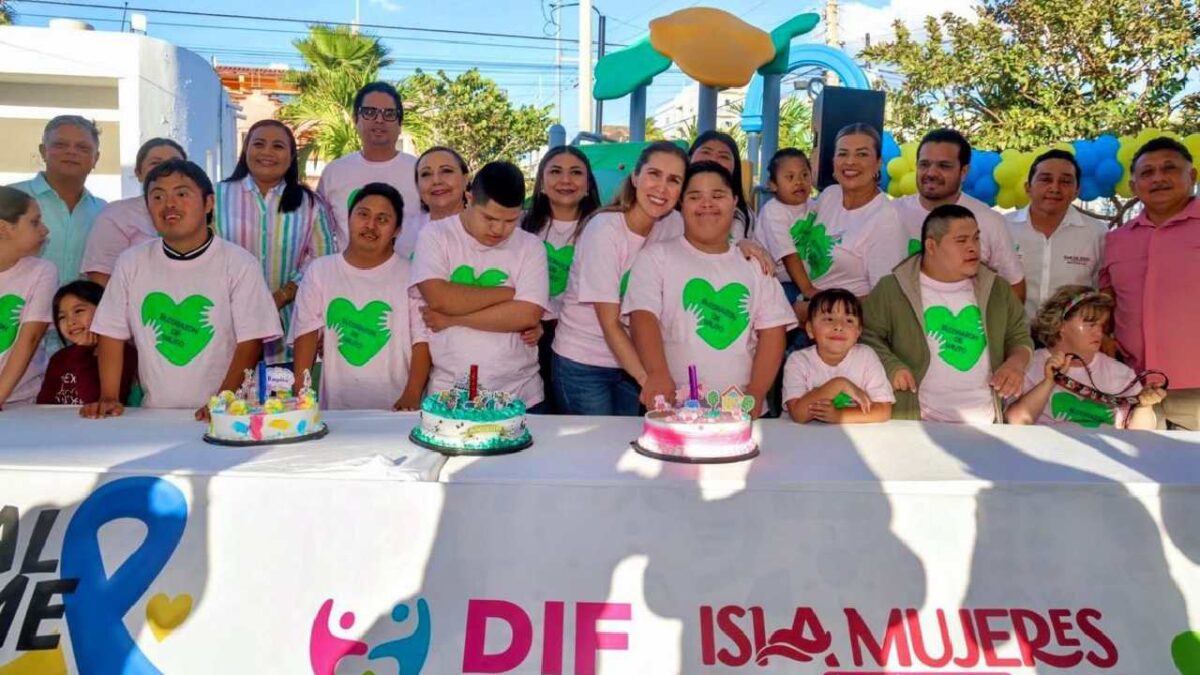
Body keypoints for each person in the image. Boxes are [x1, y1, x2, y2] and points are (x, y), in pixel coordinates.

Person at [82, 159, 281, 420]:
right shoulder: (131, 262)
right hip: (154, 414)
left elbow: (250, 341)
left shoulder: (239, 263)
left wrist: (222, 401)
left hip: (228, 416)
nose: (169, 204)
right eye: (157, 196)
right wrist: (109, 396)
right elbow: (111, 332)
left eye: (182, 193)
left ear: (208, 203)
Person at [625, 161, 795, 417]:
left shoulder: (755, 263)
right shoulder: (656, 256)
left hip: (740, 411)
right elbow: (643, 317)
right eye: (695, 197)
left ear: (734, 200)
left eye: (718, 196)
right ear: (682, 203)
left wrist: (757, 393)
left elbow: (773, 331)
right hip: (671, 409)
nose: (707, 204)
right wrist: (657, 374)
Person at [550, 141, 689, 415]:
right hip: (583, 363)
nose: (662, 187)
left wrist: (745, 247)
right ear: (635, 177)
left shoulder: (674, 224)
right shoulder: (605, 229)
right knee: (598, 453)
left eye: (674, 180)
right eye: (654, 174)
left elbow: (708, 245)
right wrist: (648, 380)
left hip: (633, 364)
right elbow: (610, 322)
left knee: (626, 449)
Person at [862, 204, 1033, 423]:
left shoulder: (997, 288)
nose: (973, 248)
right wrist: (891, 365)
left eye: (976, 239)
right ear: (931, 246)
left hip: (986, 423)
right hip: (914, 422)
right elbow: (867, 336)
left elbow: (1020, 337)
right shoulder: (893, 288)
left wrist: (1015, 364)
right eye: (961, 241)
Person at [410, 161, 549, 411]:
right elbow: (439, 298)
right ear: (469, 198)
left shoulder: (531, 246)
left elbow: (527, 314)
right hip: (449, 394)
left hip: (521, 394)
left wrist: (452, 319)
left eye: (511, 221)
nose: (499, 229)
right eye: (489, 218)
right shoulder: (435, 236)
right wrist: (506, 293)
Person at [291, 183, 431, 410]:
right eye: (363, 215)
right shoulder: (320, 271)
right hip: (336, 410)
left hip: (397, 410)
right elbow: (306, 334)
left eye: (383, 219)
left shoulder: (413, 275)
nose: (371, 225)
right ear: (349, 218)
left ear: (397, 230)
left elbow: (421, 340)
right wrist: (301, 396)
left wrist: (412, 394)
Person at [213, 119, 337, 366]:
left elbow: (323, 262)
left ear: (291, 157)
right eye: (259, 144)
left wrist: (283, 295)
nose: (267, 152)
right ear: (246, 149)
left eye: (278, 146)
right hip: (224, 332)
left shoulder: (310, 204)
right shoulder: (215, 197)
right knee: (225, 404)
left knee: (280, 405)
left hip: (286, 338)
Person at [1100, 136, 1200, 429]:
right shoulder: (1115, 240)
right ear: (1133, 186)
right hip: (1134, 387)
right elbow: (1108, 303)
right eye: (1147, 172)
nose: (1158, 178)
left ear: (1191, 176)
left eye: (1169, 168)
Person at [892, 129, 1025, 300]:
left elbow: (1014, 287)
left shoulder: (988, 220)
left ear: (963, 172)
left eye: (944, 166)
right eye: (924, 164)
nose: (931, 173)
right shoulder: (892, 213)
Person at [1005, 286, 1164, 430]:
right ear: (1061, 326)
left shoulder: (1121, 374)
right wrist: (1049, 382)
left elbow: (1142, 436)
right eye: (1090, 324)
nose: (1099, 333)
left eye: (1101, 325)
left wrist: (1144, 406)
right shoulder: (1027, 365)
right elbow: (1014, 422)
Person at [792, 124, 908, 319]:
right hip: (802, 308)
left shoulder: (886, 220)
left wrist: (817, 311)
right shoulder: (829, 195)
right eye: (843, 154)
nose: (850, 162)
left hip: (840, 329)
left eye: (862, 154)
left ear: (879, 162)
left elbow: (883, 299)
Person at [520, 146, 601, 412]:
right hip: (529, 335)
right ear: (541, 183)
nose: (566, 180)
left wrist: (551, 321)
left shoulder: (603, 228)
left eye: (576, 173)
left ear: (588, 184)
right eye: (555, 171)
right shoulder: (521, 226)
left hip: (580, 341)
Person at [1005, 149, 1107, 321]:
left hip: (1072, 341)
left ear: (1076, 191)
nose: (1055, 188)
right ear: (1027, 187)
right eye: (1045, 179)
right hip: (1011, 338)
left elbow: (1102, 292)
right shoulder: (1002, 228)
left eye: (1066, 181)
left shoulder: (1097, 233)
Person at [317, 82, 420, 248]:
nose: (379, 120)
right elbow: (319, 231)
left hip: (411, 273)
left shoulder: (420, 172)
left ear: (400, 124)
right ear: (356, 120)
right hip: (346, 273)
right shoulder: (334, 172)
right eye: (369, 112)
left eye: (389, 113)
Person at [8, 115, 106, 287]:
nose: (71, 152)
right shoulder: (9, 198)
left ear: (95, 158)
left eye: (82, 147)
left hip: (83, 313)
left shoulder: (105, 212)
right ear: (43, 151)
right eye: (60, 145)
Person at [81, 138, 187, 286]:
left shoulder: (201, 212)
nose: (167, 169)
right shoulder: (116, 214)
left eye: (175, 163)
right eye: (155, 163)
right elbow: (100, 276)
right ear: (139, 173)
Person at [783, 288, 894, 424]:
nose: (839, 326)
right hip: (806, 439)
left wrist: (840, 416)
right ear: (810, 329)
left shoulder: (866, 356)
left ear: (858, 331)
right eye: (829, 319)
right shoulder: (798, 361)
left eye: (849, 320)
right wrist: (839, 385)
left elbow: (883, 411)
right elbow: (798, 414)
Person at [36, 280, 138, 405]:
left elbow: (96, 402)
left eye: (78, 311)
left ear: (103, 310)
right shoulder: (59, 359)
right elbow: (43, 404)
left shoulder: (124, 354)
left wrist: (82, 352)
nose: (70, 322)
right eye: (62, 317)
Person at [0, 186, 54, 409]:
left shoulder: (42, 272)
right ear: (3, 228)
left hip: (22, 402)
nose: (45, 230)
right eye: (34, 222)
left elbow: (29, 339)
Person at [394, 146, 470, 261]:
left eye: (446, 171)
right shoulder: (404, 234)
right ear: (417, 186)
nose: (436, 181)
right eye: (426, 174)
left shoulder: (492, 228)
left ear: (465, 180)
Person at [689, 130, 754, 240]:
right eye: (706, 152)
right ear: (689, 157)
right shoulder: (670, 201)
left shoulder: (742, 214)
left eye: (724, 156)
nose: (714, 160)